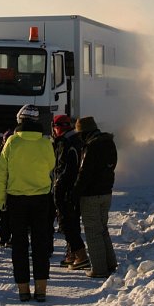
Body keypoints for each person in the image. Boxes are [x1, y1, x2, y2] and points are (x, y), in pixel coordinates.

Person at [0, 104, 55, 302]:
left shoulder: (11, 142)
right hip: (41, 199)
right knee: (40, 243)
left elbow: (1, 174)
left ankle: (23, 289)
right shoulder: (45, 143)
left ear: (19, 121)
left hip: (16, 199)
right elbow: (51, 165)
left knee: (19, 245)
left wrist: (1, 200)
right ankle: (41, 289)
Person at [71, 116, 118, 278]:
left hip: (90, 195)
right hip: (106, 193)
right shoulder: (109, 142)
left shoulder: (91, 146)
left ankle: (99, 269)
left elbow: (84, 174)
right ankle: (110, 263)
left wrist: (75, 193)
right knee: (103, 229)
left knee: (93, 231)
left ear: (84, 132)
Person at [51, 115, 88, 269]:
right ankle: (72, 253)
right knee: (69, 222)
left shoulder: (67, 143)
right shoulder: (74, 140)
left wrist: (59, 187)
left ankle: (81, 255)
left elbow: (68, 169)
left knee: (67, 223)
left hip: (67, 190)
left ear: (57, 127)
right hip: (73, 189)